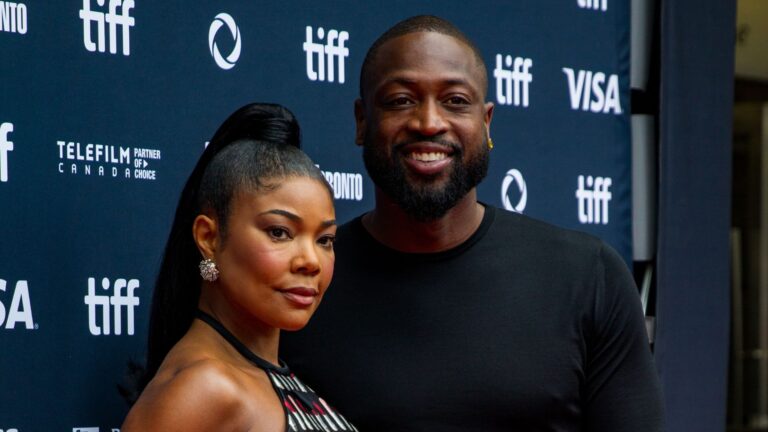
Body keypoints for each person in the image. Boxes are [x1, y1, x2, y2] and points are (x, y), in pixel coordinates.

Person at [281, 15, 665, 431]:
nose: (429, 123)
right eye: (400, 100)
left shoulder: (589, 276)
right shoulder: (304, 283)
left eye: (455, 101)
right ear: (361, 121)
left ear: (486, 122)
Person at [122, 103, 358, 432]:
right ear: (208, 237)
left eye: (325, 240)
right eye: (279, 232)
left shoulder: (258, 374)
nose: (310, 261)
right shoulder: (204, 387)